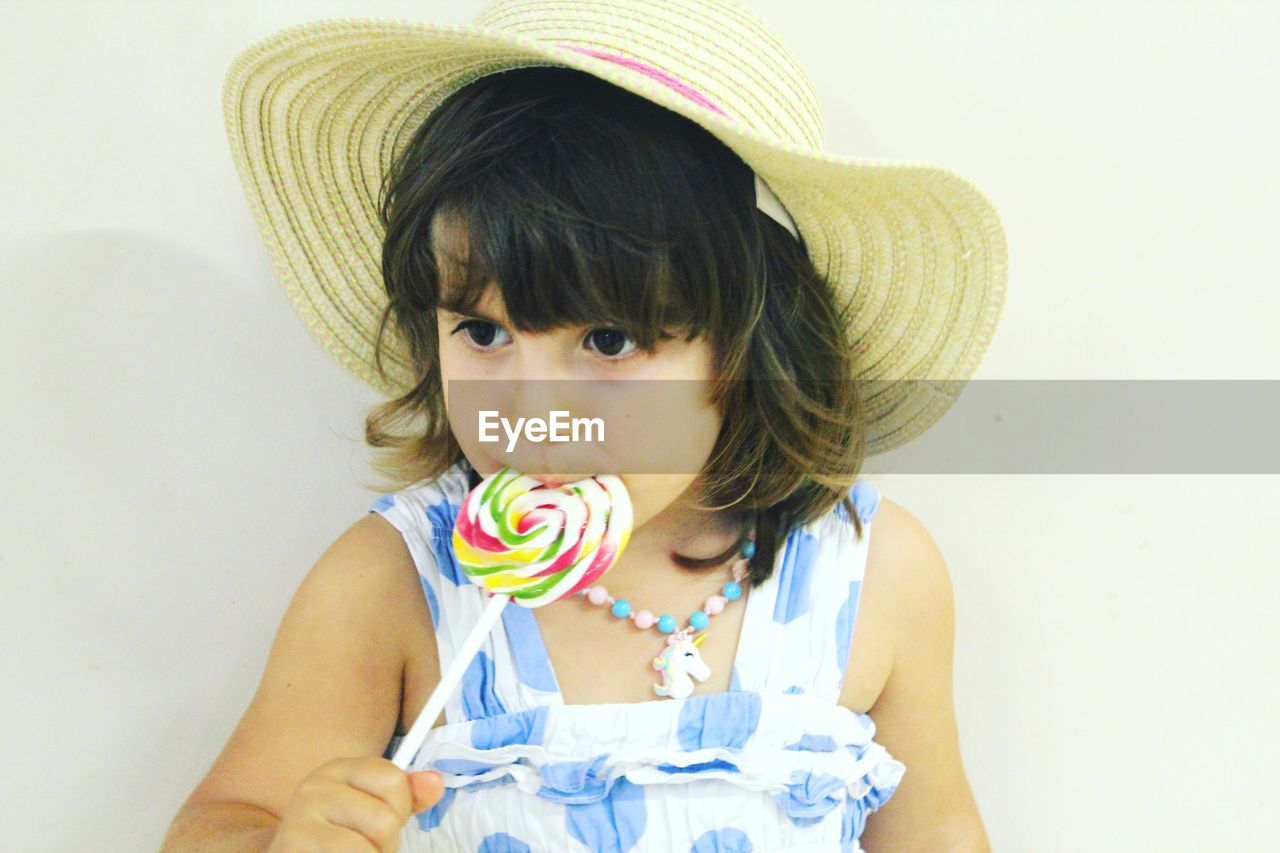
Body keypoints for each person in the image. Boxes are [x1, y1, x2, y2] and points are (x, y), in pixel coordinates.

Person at [164, 1, 1007, 850]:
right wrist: (288, 839)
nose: (532, 409)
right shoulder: (396, 582)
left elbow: (938, 829)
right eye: (484, 333)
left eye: (608, 340)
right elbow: (224, 818)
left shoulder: (875, 576)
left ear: (746, 347)